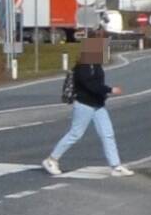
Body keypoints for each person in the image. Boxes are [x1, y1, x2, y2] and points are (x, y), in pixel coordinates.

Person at [43, 39, 133, 177]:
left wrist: (103, 95)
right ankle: (52, 160)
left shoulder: (96, 65)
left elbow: (97, 83)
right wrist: (110, 90)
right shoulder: (82, 67)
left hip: (98, 105)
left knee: (107, 134)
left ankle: (116, 166)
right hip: (84, 105)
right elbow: (90, 85)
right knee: (75, 134)